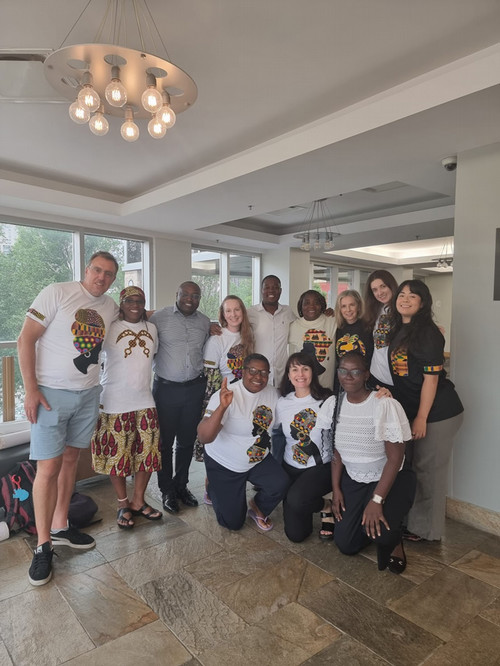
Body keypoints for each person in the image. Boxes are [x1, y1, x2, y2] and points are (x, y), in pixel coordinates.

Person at [17, 251, 119, 586]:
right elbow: (25, 339)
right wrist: (31, 391)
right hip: (50, 394)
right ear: (86, 269)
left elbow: (139, 314)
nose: (101, 278)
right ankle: (43, 545)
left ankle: (61, 526)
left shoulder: (109, 306)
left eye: (108, 274)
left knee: (72, 459)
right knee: (47, 467)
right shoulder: (56, 292)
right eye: (97, 270)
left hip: (88, 394)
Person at [313, 352, 416, 574]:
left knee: (383, 532)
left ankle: (394, 538)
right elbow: (336, 453)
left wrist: (377, 501)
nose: (348, 376)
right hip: (354, 478)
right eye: (343, 370)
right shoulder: (333, 404)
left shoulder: (383, 404)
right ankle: (371, 528)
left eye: (355, 371)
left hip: (389, 478)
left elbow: (396, 458)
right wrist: (336, 489)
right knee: (346, 545)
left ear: (366, 374)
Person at [389, 280, 464, 542]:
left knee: (429, 473)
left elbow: (431, 380)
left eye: (413, 295)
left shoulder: (428, 333)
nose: (405, 299)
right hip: (418, 409)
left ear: (423, 302)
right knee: (416, 468)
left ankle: (427, 531)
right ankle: (414, 522)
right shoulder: (401, 328)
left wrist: (421, 417)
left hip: (438, 412)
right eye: (402, 294)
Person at [91, 286, 162, 528]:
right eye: (130, 300)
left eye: (140, 300)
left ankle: (138, 501)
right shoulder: (109, 327)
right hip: (114, 401)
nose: (135, 304)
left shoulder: (151, 328)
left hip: (145, 400)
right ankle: (123, 503)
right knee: (118, 457)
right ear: (121, 303)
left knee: (148, 456)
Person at [197, 354, 289, 532]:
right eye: (252, 371)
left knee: (280, 483)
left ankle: (257, 506)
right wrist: (222, 407)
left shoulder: (273, 393)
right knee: (232, 523)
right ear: (243, 372)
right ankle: (212, 485)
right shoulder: (226, 395)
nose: (258, 377)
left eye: (263, 372)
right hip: (224, 463)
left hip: (257, 459)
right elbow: (204, 437)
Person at [150, 281, 210, 514]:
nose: (190, 299)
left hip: (194, 388)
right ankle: (167, 490)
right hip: (165, 389)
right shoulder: (159, 318)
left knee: (186, 442)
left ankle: (181, 486)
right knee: (164, 443)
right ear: (177, 294)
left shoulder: (205, 322)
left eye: (195, 296)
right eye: (185, 294)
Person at [198, 295, 254, 501]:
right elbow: (210, 376)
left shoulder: (249, 336)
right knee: (216, 443)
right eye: (228, 311)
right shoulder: (217, 338)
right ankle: (209, 486)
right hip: (222, 398)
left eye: (237, 309)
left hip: (244, 398)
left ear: (243, 312)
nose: (233, 314)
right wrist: (216, 404)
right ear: (222, 314)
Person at [276, 352, 333, 543]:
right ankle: (323, 505)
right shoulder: (282, 402)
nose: (300, 374)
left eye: (305, 368)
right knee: (296, 535)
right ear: (288, 374)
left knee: (296, 499)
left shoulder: (327, 399)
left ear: (313, 372)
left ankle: (322, 504)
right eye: (295, 369)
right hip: (290, 467)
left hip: (320, 468)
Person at [247, 275, 296, 387]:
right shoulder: (250, 313)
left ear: (280, 291)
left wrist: (325, 314)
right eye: (267, 287)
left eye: (275, 287)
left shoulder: (287, 311)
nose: (271, 290)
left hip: (282, 374)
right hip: (258, 375)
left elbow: (303, 325)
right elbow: (233, 326)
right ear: (262, 290)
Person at [288, 290, 337, 389]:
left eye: (316, 302)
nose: (311, 306)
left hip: (327, 388)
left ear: (322, 305)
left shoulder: (332, 321)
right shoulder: (293, 326)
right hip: (303, 388)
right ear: (301, 306)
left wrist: (334, 312)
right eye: (307, 303)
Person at [363, 270, 399, 389]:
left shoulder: (403, 309)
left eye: (383, 286)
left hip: (398, 378)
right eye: (375, 290)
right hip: (377, 375)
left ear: (391, 285)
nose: (379, 292)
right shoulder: (374, 311)